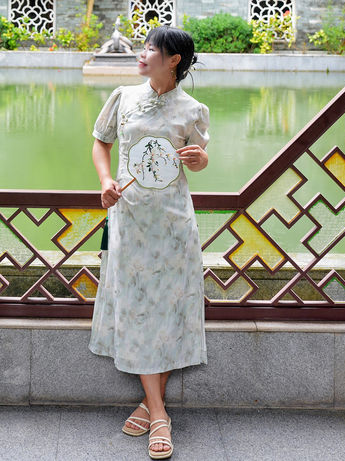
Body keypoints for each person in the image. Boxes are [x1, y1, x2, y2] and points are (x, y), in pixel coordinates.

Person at [89, 26, 209, 460]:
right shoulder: (122, 97)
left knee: (171, 308)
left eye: (151, 49)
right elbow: (101, 142)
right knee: (138, 309)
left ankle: (151, 406)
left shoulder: (192, 109)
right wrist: (106, 181)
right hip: (130, 220)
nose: (142, 54)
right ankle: (160, 414)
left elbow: (199, 156)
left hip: (174, 225)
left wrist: (199, 158)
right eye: (143, 47)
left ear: (173, 59)